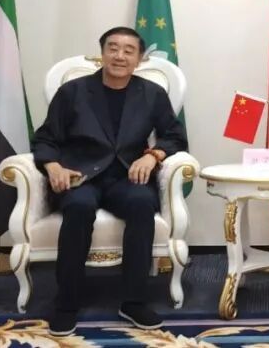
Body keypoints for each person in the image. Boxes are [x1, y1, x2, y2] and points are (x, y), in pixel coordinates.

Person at [32, 26, 187, 336]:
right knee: (78, 207)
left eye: (129, 51)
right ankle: (67, 302)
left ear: (139, 59)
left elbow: (174, 136)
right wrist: (52, 166)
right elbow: (45, 138)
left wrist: (153, 155)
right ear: (102, 53)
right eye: (113, 48)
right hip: (81, 176)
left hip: (126, 176)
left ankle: (133, 301)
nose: (119, 56)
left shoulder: (152, 93)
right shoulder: (73, 91)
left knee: (142, 203)